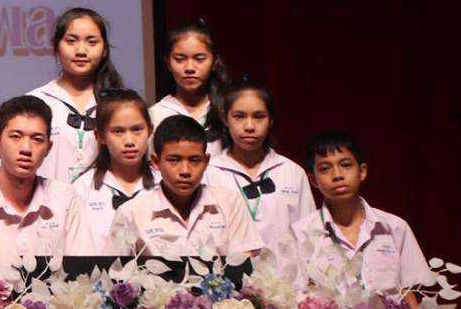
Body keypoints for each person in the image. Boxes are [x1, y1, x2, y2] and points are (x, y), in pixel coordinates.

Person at [0, 95, 89, 283]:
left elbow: (82, 273)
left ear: (48, 148)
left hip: (55, 301)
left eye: (37, 139)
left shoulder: (65, 198)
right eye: (15, 137)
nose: (26, 148)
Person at [295, 131, 438, 295]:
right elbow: (297, 298)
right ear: (313, 180)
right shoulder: (301, 233)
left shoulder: (394, 227)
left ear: (362, 171)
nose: (338, 175)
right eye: (325, 168)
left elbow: (410, 292)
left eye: (346, 165)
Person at [100, 116, 261, 261]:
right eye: (174, 160)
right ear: (156, 162)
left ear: (206, 162)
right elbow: (112, 272)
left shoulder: (230, 203)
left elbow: (247, 265)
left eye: (194, 160)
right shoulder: (131, 214)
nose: (185, 171)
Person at [207, 79, 316, 272]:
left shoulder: (292, 172)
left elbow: (310, 238)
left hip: (287, 283)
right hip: (230, 284)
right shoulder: (210, 173)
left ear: (271, 120)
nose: (249, 126)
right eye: (239, 116)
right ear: (225, 119)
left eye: (259, 116)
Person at [26, 8, 129, 184]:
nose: (81, 50)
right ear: (56, 46)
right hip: (49, 200)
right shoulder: (35, 102)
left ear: (104, 50)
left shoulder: (119, 104)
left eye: (92, 42)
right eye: (71, 41)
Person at [69, 90, 157, 252]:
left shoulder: (164, 185)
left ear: (150, 131)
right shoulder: (82, 190)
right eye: (118, 131)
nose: (129, 141)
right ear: (100, 136)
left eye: (137, 129)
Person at [148, 20, 229, 155]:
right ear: (168, 63)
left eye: (199, 59)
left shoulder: (227, 111)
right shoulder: (155, 115)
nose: (190, 68)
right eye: (180, 59)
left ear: (214, 62)